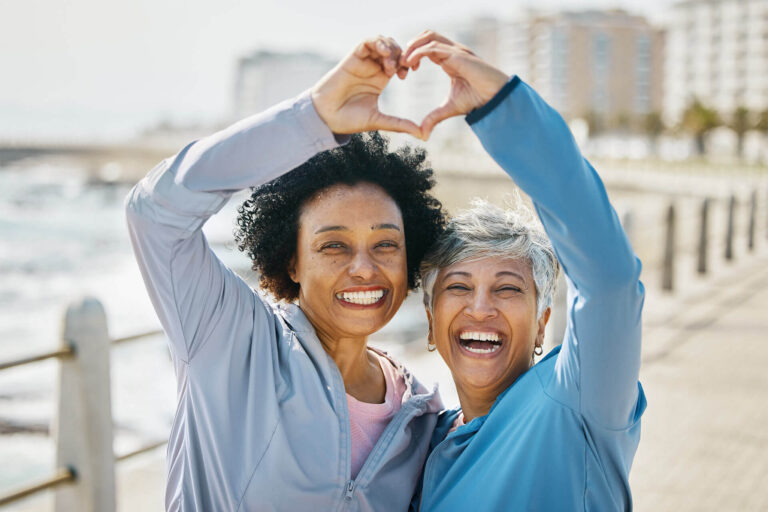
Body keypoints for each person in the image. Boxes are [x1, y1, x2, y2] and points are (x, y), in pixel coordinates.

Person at [125, 36, 452, 511]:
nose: (364, 268)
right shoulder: (232, 340)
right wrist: (313, 118)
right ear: (292, 261)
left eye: (386, 244)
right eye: (333, 245)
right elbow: (155, 212)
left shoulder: (420, 416)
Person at [403, 33, 647, 510]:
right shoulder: (422, 443)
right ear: (430, 320)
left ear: (541, 323)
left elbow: (611, 282)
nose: (480, 307)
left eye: (508, 288)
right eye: (458, 286)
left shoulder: (574, 402)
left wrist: (501, 110)